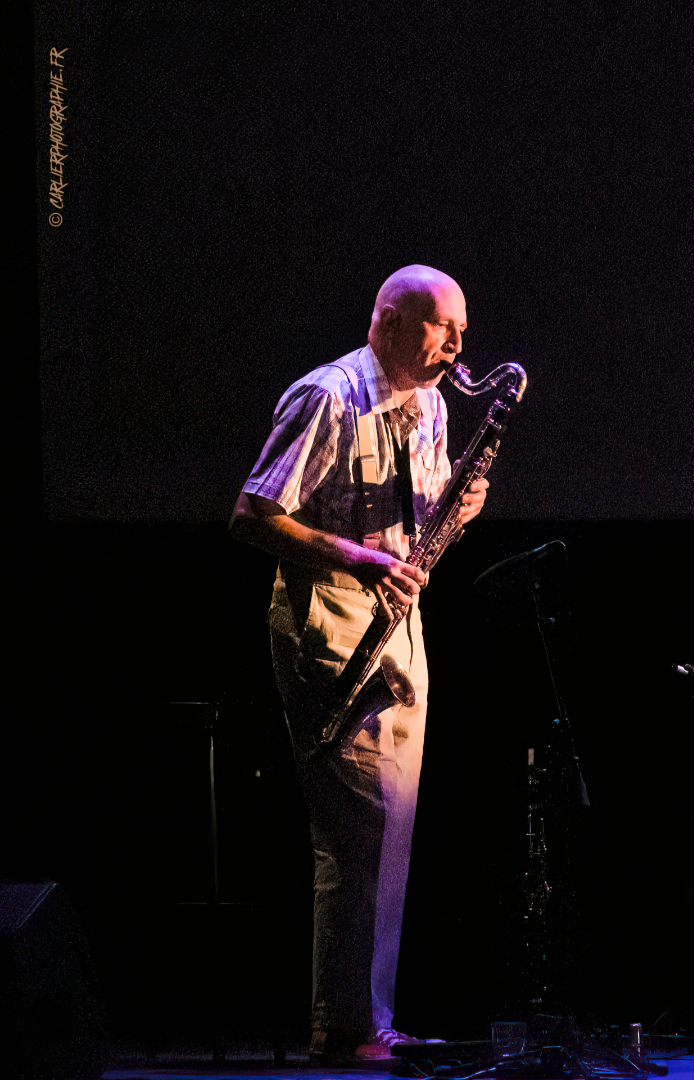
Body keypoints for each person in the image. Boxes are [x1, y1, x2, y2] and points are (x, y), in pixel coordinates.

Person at [230, 265, 489, 1064]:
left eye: (462, 331)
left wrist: (462, 509)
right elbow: (251, 516)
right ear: (386, 321)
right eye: (441, 325)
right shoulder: (327, 397)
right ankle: (342, 1027)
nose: (455, 344)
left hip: (397, 616)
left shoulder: (434, 406)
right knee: (358, 827)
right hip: (327, 613)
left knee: (393, 830)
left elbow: (423, 526)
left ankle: (365, 1020)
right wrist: (355, 557)